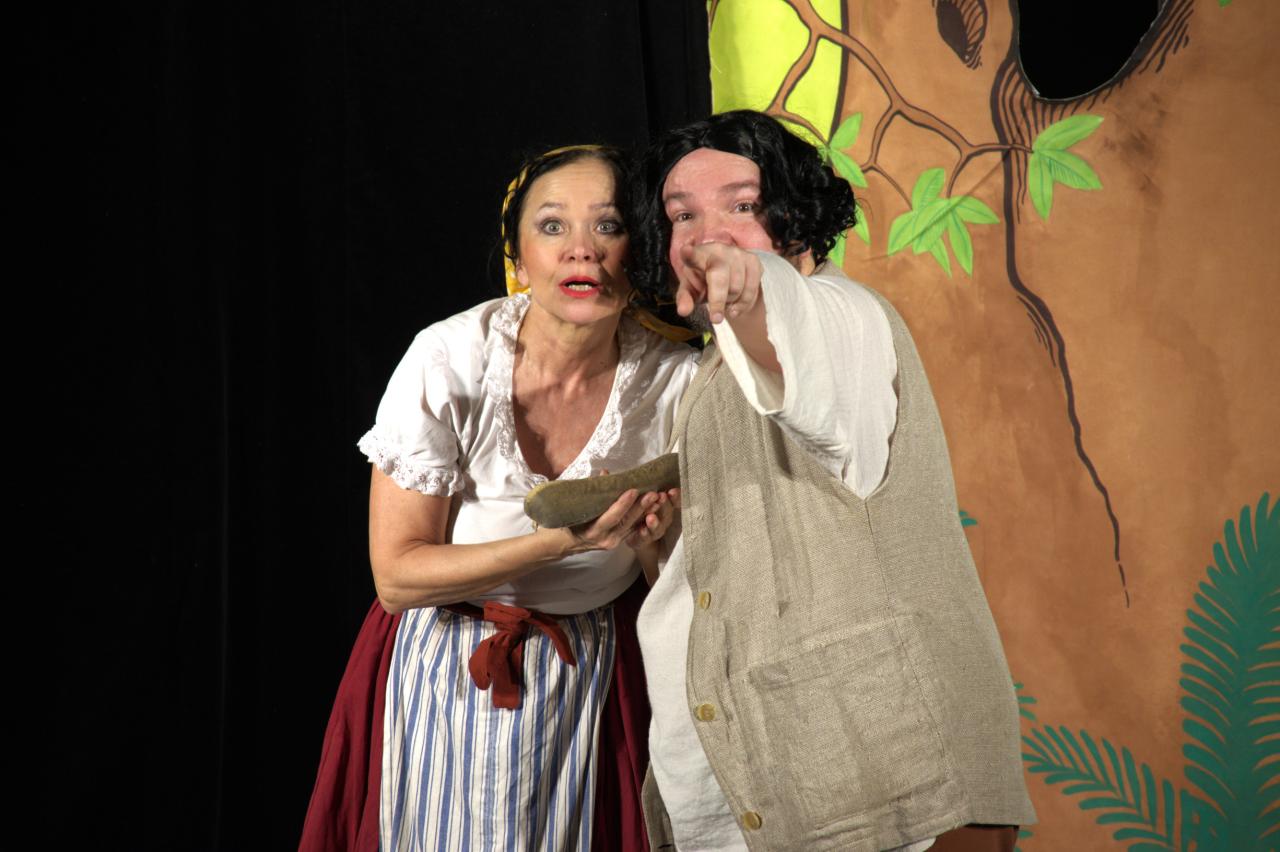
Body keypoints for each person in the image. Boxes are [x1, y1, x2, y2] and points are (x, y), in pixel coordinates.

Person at [629, 110, 1036, 852]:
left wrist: (752, 285)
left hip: (888, 786)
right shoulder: (711, 373)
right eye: (682, 215)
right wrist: (659, 540)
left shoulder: (843, 314)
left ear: (798, 217)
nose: (706, 234)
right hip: (764, 771)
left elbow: (791, 325)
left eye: (742, 205)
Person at [299, 145, 697, 852]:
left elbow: (679, 583)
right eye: (552, 226)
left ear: (641, 247)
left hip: (590, 676)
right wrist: (561, 542)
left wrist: (652, 541)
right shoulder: (450, 358)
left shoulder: (678, 381)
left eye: (608, 225)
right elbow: (397, 578)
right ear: (518, 253)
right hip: (444, 665)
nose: (582, 249)